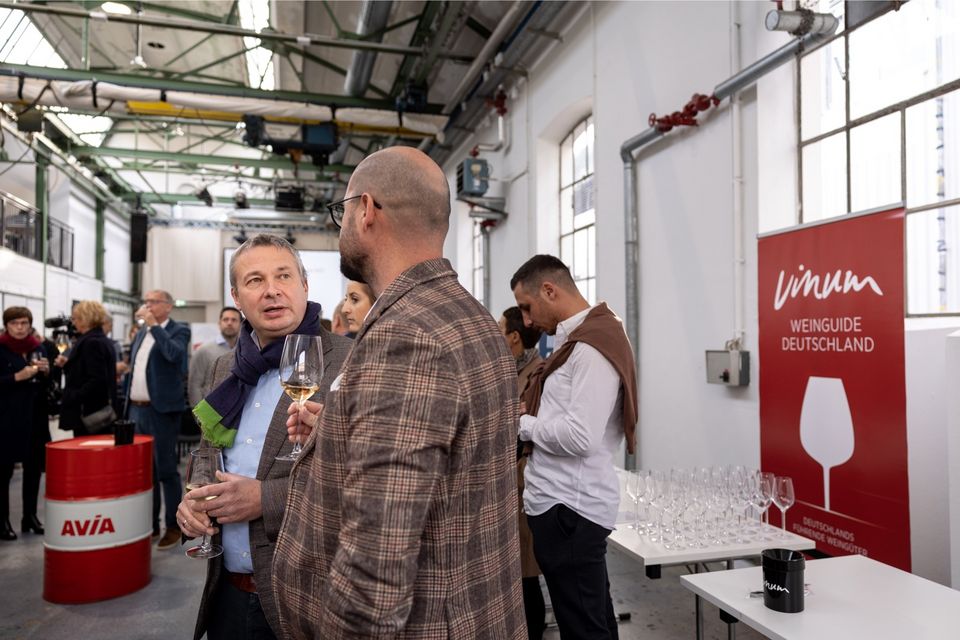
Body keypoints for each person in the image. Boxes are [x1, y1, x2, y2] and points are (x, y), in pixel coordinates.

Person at [272, 146, 526, 639]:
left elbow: (374, 575)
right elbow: (452, 466)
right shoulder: (468, 315)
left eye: (342, 211)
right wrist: (340, 428)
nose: (341, 226)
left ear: (365, 210)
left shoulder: (406, 336)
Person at [178, 234, 352, 640]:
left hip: (305, 596)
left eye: (283, 276)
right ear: (237, 297)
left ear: (305, 285)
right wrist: (193, 505)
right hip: (227, 590)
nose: (271, 290)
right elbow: (208, 454)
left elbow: (368, 480)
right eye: (255, 280)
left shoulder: (351, 360)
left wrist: (266, 499)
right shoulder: (226, 368)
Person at [510, 255, 638, 640]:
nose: (526, 321)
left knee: (583, 629)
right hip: (563, 508)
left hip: (570, 510)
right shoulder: (577, 341)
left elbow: (581, 437)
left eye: (527, 307)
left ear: (550, 290)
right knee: (591, 622)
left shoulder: (591, 347)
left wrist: (522, 424)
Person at [127, 289, 191, 549]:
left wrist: (154, 326)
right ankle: (150, 524)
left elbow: (174, 355)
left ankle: (173, 526)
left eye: (153, 302)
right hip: (136, 410)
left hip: (161, 411)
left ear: (168, 306)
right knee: (145, 471)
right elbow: (134, 369)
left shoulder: (179, 330)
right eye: (147, 302)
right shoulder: (141, 333)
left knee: (165, 469)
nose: (148, 306)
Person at [499, 306, 546, 640]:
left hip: (522, 481)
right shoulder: (510, 370)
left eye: (499, 328)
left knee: (527, 576)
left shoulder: (536, 373)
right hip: (510, 480)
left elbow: (527, 429)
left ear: (514, 337)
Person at [0, 307, 51, 540]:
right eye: (14, 323)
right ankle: (2, 521)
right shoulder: (1, 348)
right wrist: (16, 377)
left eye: (24, 323)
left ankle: (29, 517)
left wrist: (46, 372)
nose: (20, 328)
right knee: (4, 471)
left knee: (34, 469)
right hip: (7, 418)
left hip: (35, 417)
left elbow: (45, 386)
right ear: (6, 326)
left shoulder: (37, 347)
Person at [57, 301, 118, 437]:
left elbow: (97, 379)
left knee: (87, 447)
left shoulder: (91, 342)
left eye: (75, 318)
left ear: (85, 319)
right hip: (97, 409)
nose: (73, 323)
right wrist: (68, 365)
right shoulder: (101, 339)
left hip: (89, 412)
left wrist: (74, 396)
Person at [188, 306, 242, 408]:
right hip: (210, 410)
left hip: (237, 409)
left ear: (240, 324)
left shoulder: (244, 350)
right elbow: (194, 385)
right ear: (219, 323)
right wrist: (198, 413)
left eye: (234, 320)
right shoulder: (204, 350)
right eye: (225, 319)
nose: (229, 323)